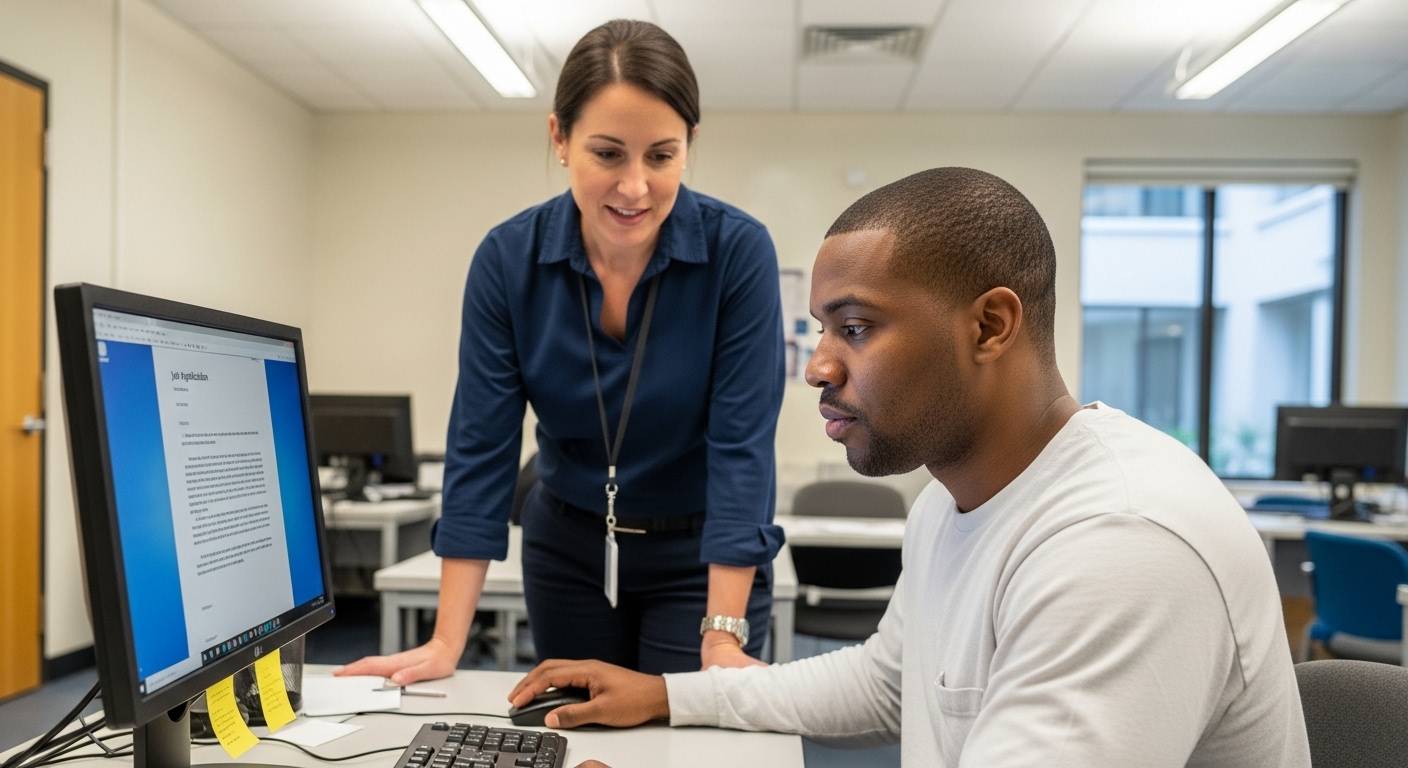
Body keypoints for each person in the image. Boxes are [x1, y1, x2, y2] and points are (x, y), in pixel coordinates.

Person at [506, 167, 1313, 767]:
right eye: (820, 329)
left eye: (854, 328)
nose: (818, 367)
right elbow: (889, 682)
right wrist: (669, 692)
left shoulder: (1121, 543)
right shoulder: (947, 501)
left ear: (991, 325)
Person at [338, 20, 784, 682]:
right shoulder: (509, 259)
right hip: (570, 547)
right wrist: (445, 641)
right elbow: (481, 448)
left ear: (689, 145)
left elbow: (742, 447)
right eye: (608, 154)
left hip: (700, 556)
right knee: (581, 735)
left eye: (661, 156)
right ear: (560, 139)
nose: (635, 187)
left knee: (687, 736)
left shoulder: (737, 253)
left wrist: (722, 637)